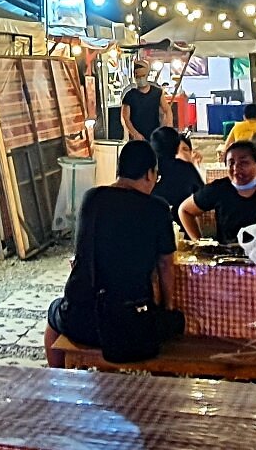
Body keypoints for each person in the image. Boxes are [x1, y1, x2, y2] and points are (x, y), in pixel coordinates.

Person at [45, 140, 181, 365]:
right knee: (176, 323)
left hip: (82, 319)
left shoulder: (91, 199)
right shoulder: (157, 209)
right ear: (149, 174)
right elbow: (166, 265)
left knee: (53, 314)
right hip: (132, 326)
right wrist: (168, 308)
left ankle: (57, 378)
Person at [179, 141, 256, 243]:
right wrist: (199, 242)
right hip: (227, 260)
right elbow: (185, 210)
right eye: (231, 163)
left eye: (244, 163)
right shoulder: (219, 188)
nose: (236, 168)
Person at [150, 125, 203, 227]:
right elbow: (203, 196)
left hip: (151, 225)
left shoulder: (148, 170)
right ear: (177, 147)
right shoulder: (186, 168)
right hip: (182, 226)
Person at [121, 59, 170, 140]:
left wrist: (168, 128)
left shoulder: (157, 92)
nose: (140, 79)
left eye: (143, 76)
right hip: (137, 140)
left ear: (147, 74)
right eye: (138, 77)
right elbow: (125, 118)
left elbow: (167, 110)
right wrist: (135, 134)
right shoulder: (129, 96)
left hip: (154, 137)